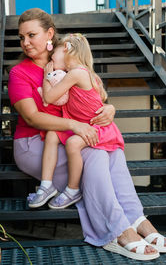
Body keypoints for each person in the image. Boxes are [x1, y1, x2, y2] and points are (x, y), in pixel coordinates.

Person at [8, 8, 166, 261]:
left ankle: (139, 221)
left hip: (65, 139)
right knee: (96, 154)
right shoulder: (19, 72)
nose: (25, 42)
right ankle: (118, 231)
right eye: (21, 37)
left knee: (112, 150)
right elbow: (32, 117)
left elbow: (92, 96)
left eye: (31, 35)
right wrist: (76, 126)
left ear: (50, 34)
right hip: (35, 145)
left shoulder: (68, 62)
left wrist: (109, 108)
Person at [39, 34, 124, 210]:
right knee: (52, 134)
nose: (51, 58)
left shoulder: (76, 74)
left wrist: (48, 76)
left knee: (72, 143)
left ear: (67, 50)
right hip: (87, 124)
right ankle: (46, 184)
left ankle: (73, 189)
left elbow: (48, 97)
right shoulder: (84, 74)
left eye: (53, 53)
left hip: (99, 128)